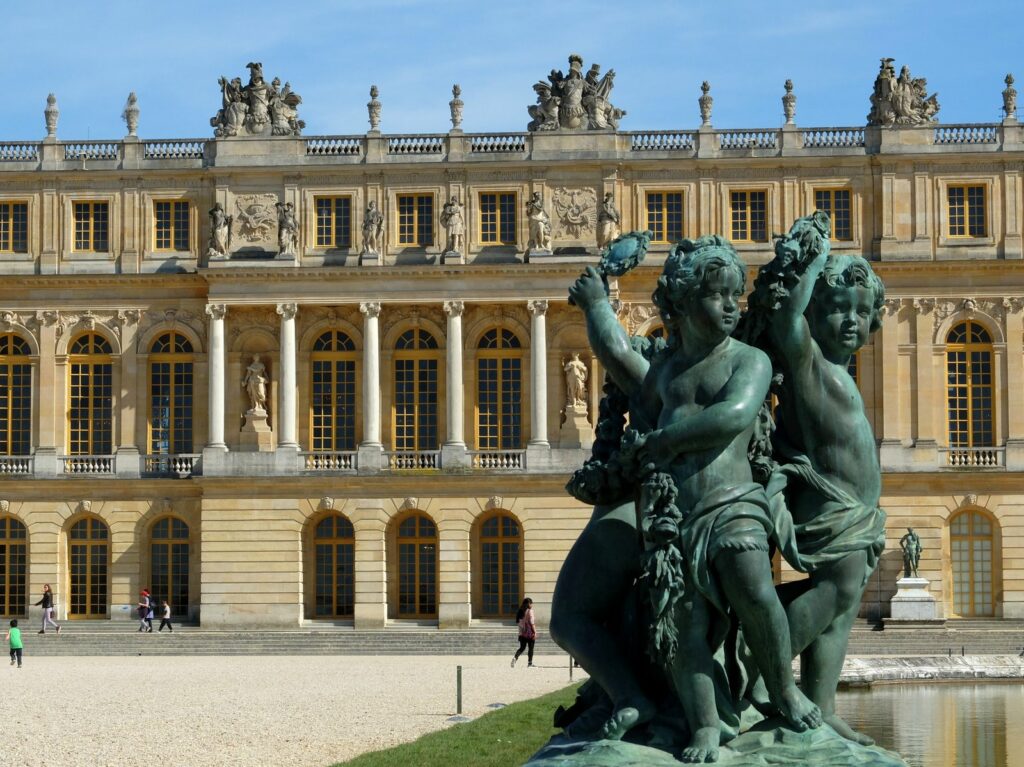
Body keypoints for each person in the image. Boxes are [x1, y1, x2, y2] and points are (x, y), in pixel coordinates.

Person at [567, 238, 821, 754]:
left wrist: (662, 441)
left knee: (755, 589)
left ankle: (785, 690)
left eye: (736, 295)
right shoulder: (664, 374)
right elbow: (617, 354)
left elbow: (732, 415)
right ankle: (705, 721)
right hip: (672, 517)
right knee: (680, 622)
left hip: (733, 505)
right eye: (716, 295)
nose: (731, 306)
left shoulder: (747, 359)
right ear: (681, 304)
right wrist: (597, 306)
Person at [754, 215, 888, 746]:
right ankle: (756, 663)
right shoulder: (808, 361)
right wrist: (811, 263)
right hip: (830, 509)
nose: (851, 321)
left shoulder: (839, 370)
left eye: (861, 310)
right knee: (834, 590)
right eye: (837, 310)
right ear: (814, 314)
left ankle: (822, 703)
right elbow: (787, 324)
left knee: (843, 607)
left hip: (854, 510)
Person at [511, 598, 536, 668]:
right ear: (529, 604)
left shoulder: (520, 611)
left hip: (522, 633)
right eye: (531, 603)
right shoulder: (530, 611)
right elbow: (532, 622)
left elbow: (518, 623)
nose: (532, 605)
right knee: (530, 648)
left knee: (522, 648)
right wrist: (535, 632)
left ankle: (515, 658)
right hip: (530, 633)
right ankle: (530, 663)